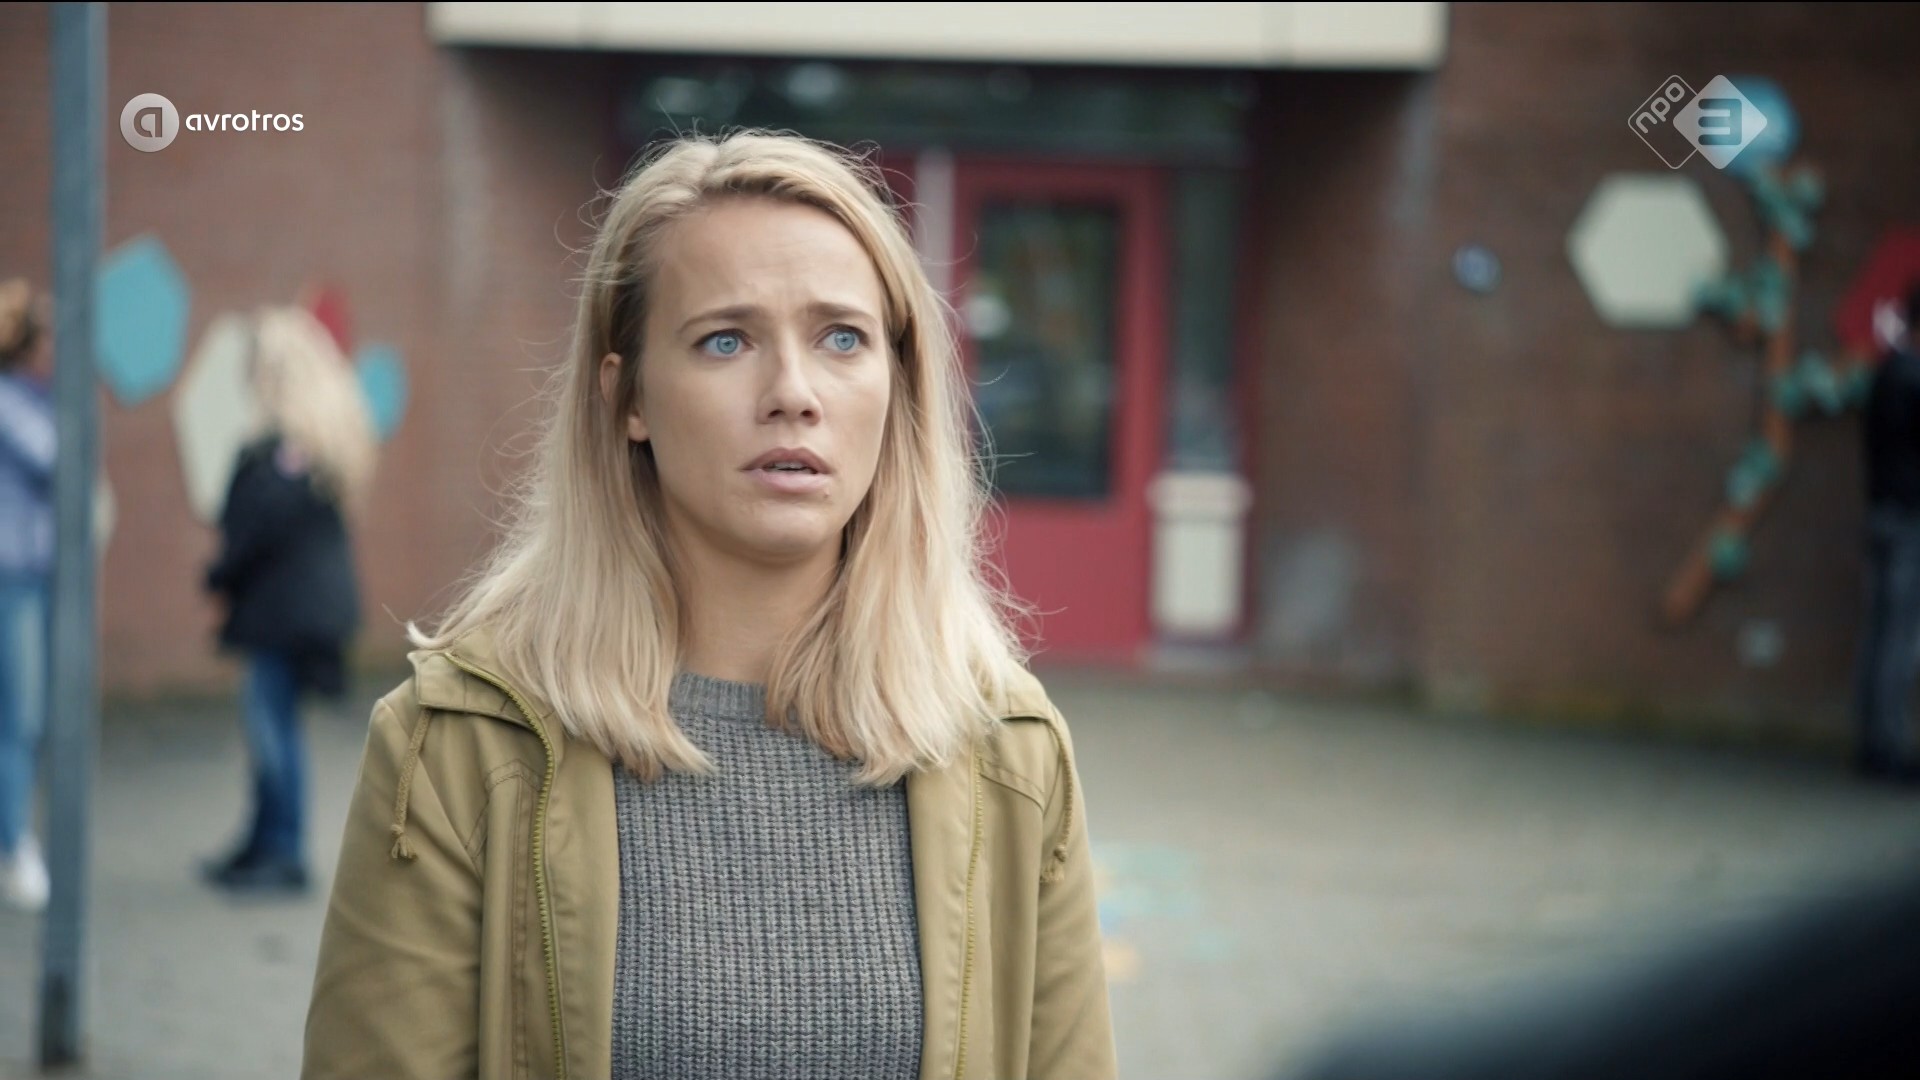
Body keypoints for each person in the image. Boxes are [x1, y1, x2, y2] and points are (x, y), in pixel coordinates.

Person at [301, 131, 1116, 1080]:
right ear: (628, 398)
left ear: (897, 387)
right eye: (726, 340)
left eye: (841, 338)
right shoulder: (460, 746)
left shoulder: (1007, 751)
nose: (793, 394)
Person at [201, 305, 375, 893]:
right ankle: (264, 844)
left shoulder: (286, 454)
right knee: (271, 730)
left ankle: (282, 852)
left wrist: (218, 574)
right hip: (293, 614)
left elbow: (254, 531)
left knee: (272, 732)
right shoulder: (315, 450)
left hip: (285, 617)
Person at [1852, 284, 1920, 783]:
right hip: (1907, 519)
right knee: (1899, 634)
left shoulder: (1887, 373)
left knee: (1882, 631)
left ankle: (1874, 740)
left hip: (1884, 514)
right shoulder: (1910, 377)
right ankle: (1886, 744)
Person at [0, 278, 53, 912]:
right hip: (12, 579)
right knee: (21, 718)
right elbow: (57, 458)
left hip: (25, 578)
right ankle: (15, 846)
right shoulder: (12, 404)